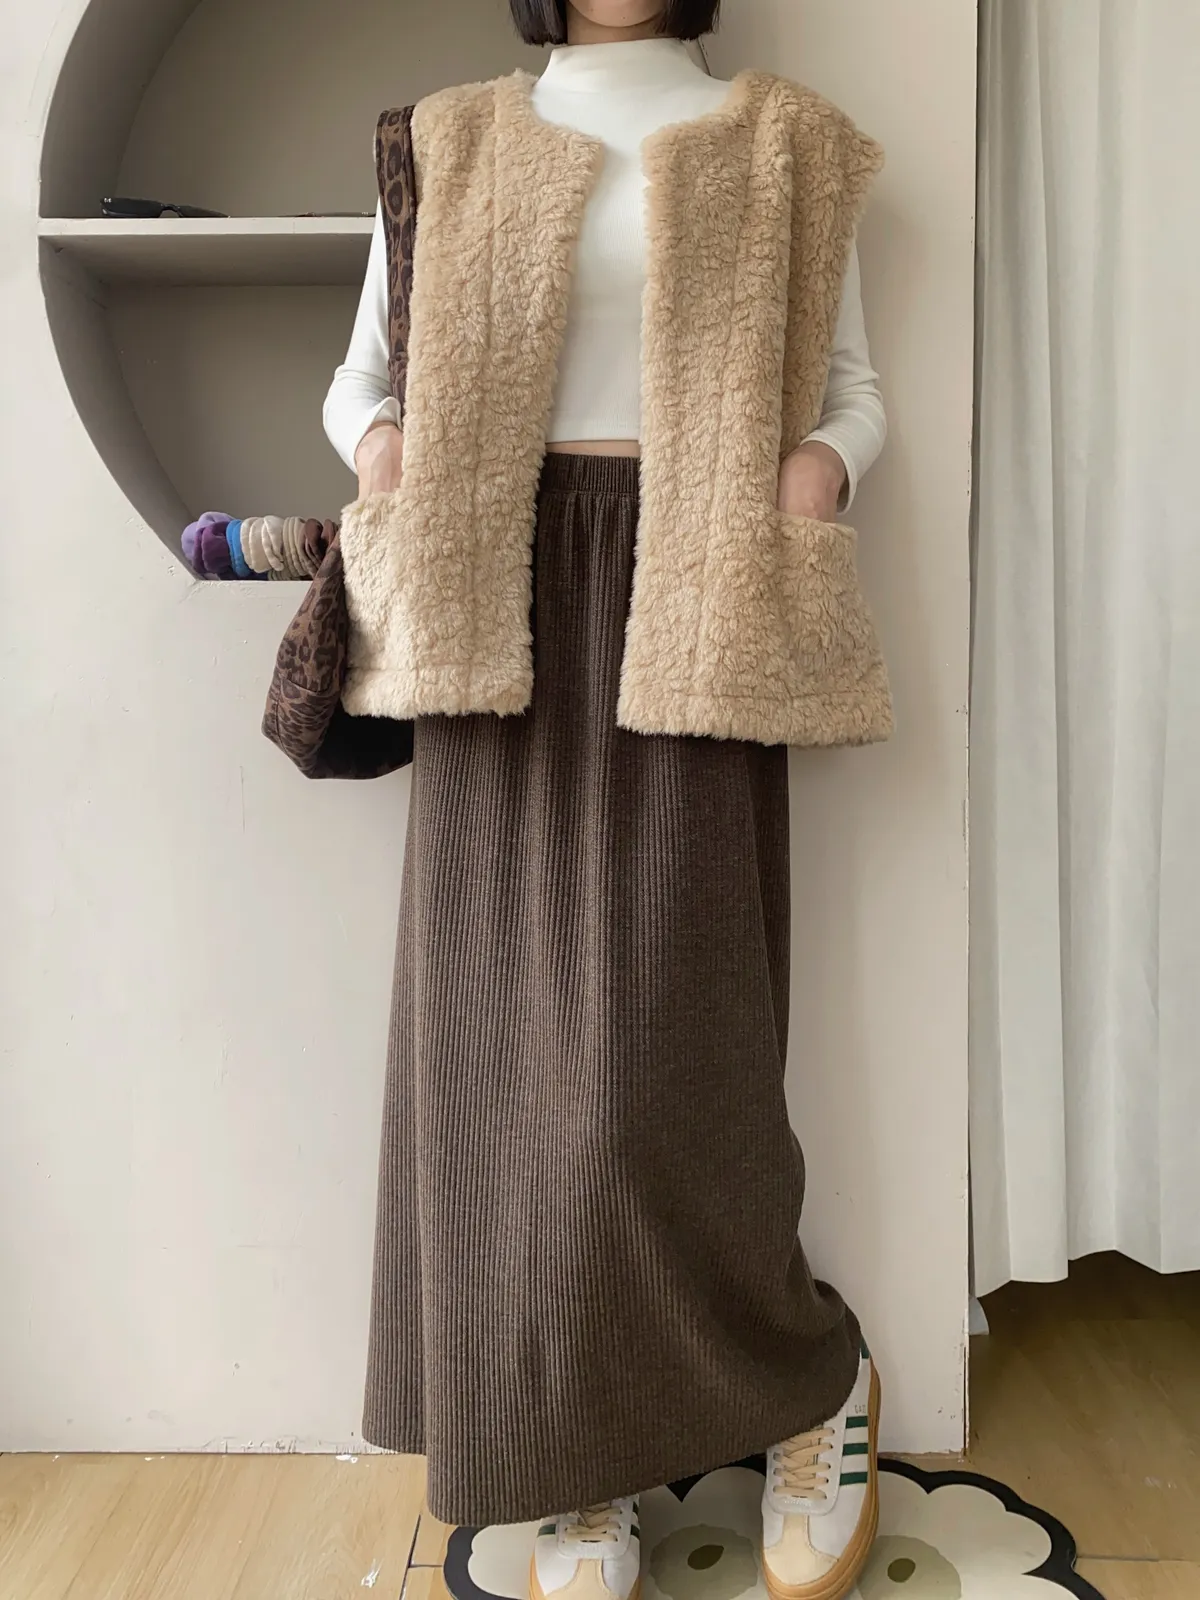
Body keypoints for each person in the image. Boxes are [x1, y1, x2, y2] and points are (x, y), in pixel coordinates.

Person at [322, 4, 891, 1599]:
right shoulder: (448, 136)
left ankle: (815, 1381)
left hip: (699, 594)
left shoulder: (785, 139)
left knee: (676, 1057)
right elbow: (357, 380)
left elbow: (854, 389)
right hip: (491, 592)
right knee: (497, 1062)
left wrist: (818, 473)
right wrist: (384, 454)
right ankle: (570, 1457)